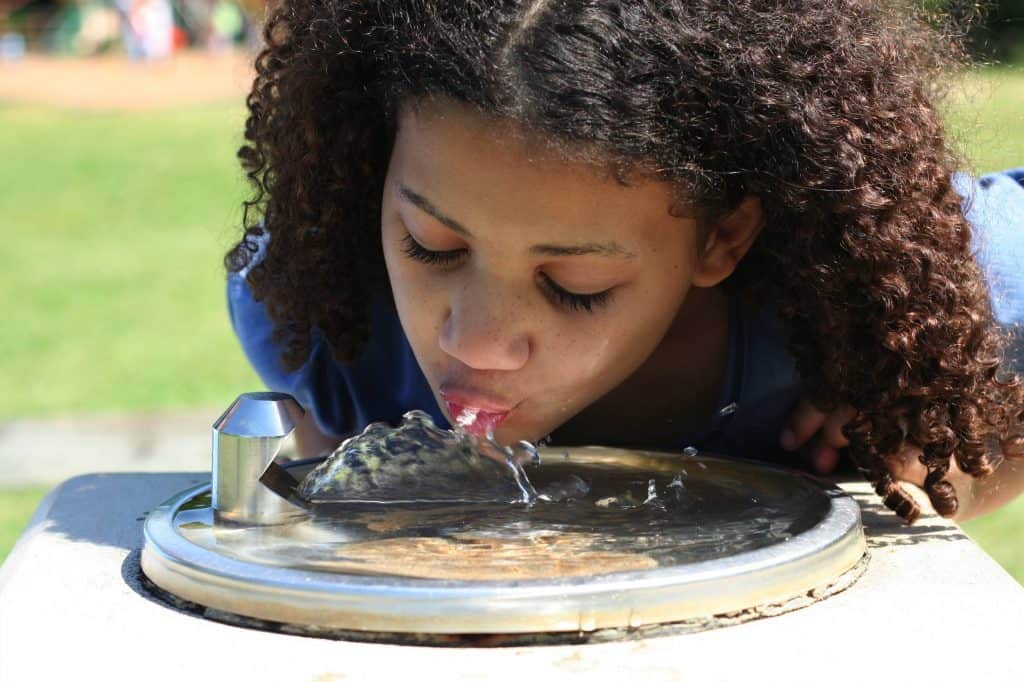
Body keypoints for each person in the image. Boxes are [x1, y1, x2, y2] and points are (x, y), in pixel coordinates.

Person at [225, 0, 1024, 524]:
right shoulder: (319, 320)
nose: (476, 343)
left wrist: (957, 436)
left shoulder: (878, 293)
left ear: (722, 238)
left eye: (575, 286)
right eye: (430, 246)